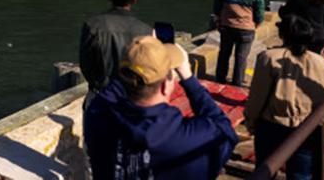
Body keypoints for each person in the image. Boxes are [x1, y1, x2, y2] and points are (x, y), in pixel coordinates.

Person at [85, 36, 238, 180]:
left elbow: (111, 92)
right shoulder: (193, 139)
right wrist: (188, 77)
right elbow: (225, 130)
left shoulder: (97, 118)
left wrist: (142, 58)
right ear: (166, 86)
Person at [243, 14, 324, 180]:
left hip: (272, 125)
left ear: (283, 35)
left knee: (265, 170)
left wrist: (251, 122)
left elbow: (257, 97)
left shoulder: (268, 58)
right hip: (308, 128)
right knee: (300, 175)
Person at [79, 0, 151, 108]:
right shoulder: (147, 31)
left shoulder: (93, 25)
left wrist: (97, 82)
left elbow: (86, 64)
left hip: (99, 97)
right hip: (132, 101)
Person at [213, 0, 265, 85]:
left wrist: (219, 19)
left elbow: (216, 7)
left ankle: (220, 79)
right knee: (241, 57)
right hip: (246, 28)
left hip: (227, 26)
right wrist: (257, 22)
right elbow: (259, 12)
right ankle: (237, 83)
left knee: (224, 53)